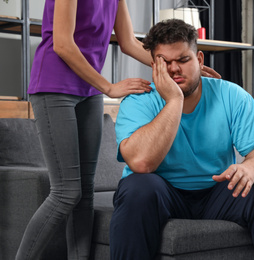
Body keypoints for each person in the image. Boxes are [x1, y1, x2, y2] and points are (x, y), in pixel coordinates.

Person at [16, 1, 220, 259]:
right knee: (67, 192)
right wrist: (109, 87)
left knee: (86, 192)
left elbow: (129, 43)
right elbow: (63, 44)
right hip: (54, 85)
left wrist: (185, 69)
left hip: (88, 91)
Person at [110, 18, 254, 260]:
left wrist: (250, 168)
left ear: (199, 60)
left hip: (218, 191)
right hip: (162, 192)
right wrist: (174, 101)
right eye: (164, 62)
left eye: (183, 60)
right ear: (153, 65)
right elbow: (142, 163)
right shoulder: (138, 101)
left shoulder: (231, 95)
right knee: (138, 186)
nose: (174, 69)